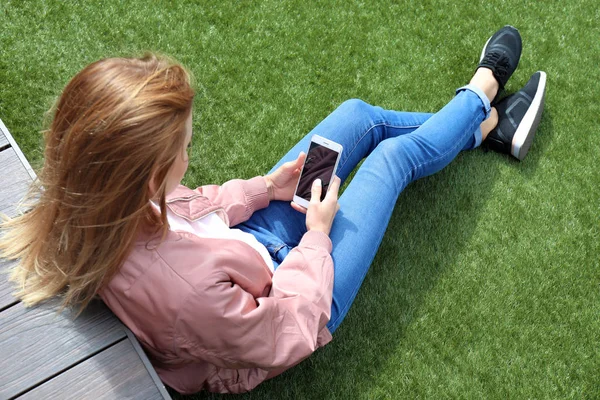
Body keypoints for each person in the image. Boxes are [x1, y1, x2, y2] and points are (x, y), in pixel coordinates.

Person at [0, 26, 546, 394]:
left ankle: (476, 130)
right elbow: (287, 330)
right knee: (390, 159)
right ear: (144, 175)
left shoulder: (94, 195)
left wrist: (265, 188)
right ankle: (483, 93)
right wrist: (317, 236)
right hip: (294, 295)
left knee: (357, 119)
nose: (189, 156)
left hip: (247, 246)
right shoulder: (188, 299)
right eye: (183, 148)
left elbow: (193, 207)